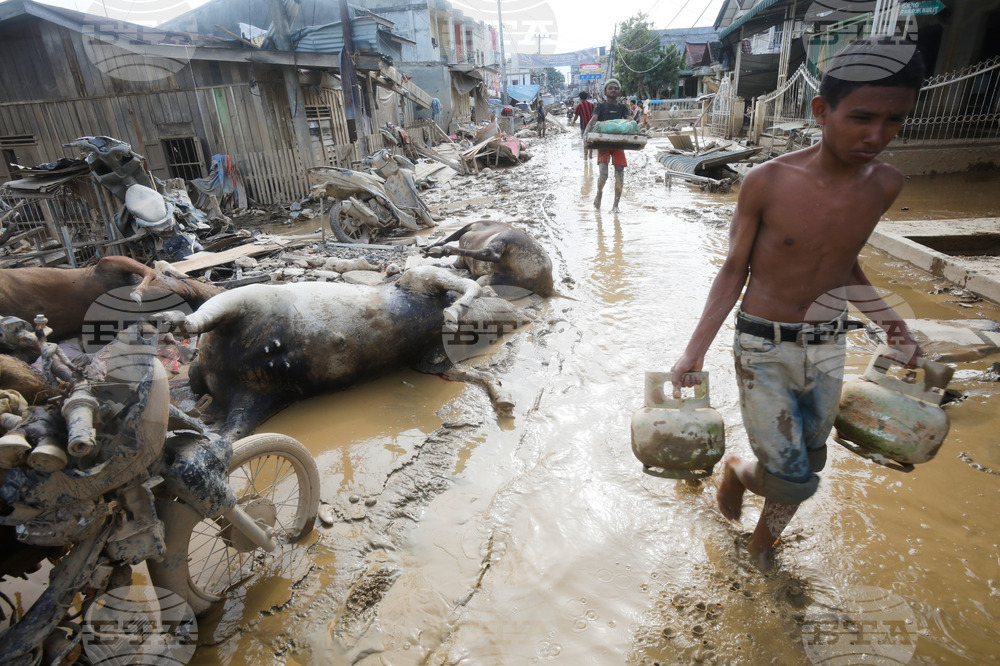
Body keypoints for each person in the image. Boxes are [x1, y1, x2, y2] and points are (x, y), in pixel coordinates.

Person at [669, 40, 926, 571]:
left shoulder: (885, 184)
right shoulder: (768, 182)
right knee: (791, 476)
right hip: (762, 345)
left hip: (828, 343)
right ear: (821, 110)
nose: (876, 136)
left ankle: (758, 517)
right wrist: (694, 351)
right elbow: (733, 270)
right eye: (862, 118)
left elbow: (845, 265)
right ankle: (746, 495)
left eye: (894, 121)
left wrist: (894, 330)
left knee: (811, 460)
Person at [583, 78, 632, 213]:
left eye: (616, 88)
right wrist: (585, 136)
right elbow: (593, 120)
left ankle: (616, 205)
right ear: (605, 91)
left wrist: (638, 129)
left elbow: (630, 121)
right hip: (603, 144)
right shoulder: (600, 106)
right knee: (603, 175)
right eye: (610, 88)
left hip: (618, 144)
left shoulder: (622, 107)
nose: (613, 90)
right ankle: (599, 193)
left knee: (620, 175)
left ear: (619, 91)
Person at [572, 91, 595, 160]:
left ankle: (585, 156)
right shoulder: (591, 105)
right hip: (591, 126)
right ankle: (590, 155)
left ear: (580, 98)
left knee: (585, 140)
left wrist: (573, 121)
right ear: (586, 97)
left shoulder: (579, 106)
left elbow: (576, 116)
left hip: (583, 126)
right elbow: (595, 115)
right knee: (591, 140)